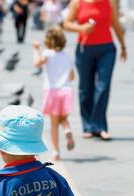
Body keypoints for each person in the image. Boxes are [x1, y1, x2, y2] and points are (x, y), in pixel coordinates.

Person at [63, 0, 127, 141]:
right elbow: (66, 24)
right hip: (85, 49)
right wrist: (81, 28)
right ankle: (88, 126)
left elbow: (115, 23)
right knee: (85, 89)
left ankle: (100, 126)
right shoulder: (77, 2)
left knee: (103, 87)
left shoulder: (110, 2)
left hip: (107, 49)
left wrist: (123, 45)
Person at [33, 26, 75, 160]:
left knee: (54, 124)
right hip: (66, 91)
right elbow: (72, 76)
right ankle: (68, 130)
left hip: (52, 91)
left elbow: (37, 63)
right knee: (63, 119)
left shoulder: (47, 53)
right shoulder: (67, 56)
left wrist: (36, 49)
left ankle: (56, 152)